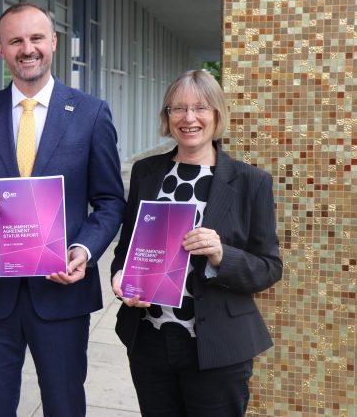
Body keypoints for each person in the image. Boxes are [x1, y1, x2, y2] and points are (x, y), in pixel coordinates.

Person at [0, 2, 126, 416]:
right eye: (16, 41)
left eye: (36, 38)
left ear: (53, 43)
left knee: (64, 406)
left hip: (62, 291)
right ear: (2, 50)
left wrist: (83, 250)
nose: (27, 48)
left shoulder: (90, 113)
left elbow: (110, 201)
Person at [110, 69, 283, 416]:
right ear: (167, 116)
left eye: (200, 108)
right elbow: (126, 247)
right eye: (178, 109)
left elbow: (270, 267)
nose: (189, 118)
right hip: (151, 341)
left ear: (217, 114)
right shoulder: (146, 172)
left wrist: (223, 254)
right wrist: (120, 278)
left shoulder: (251, 182)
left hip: (216, 348)